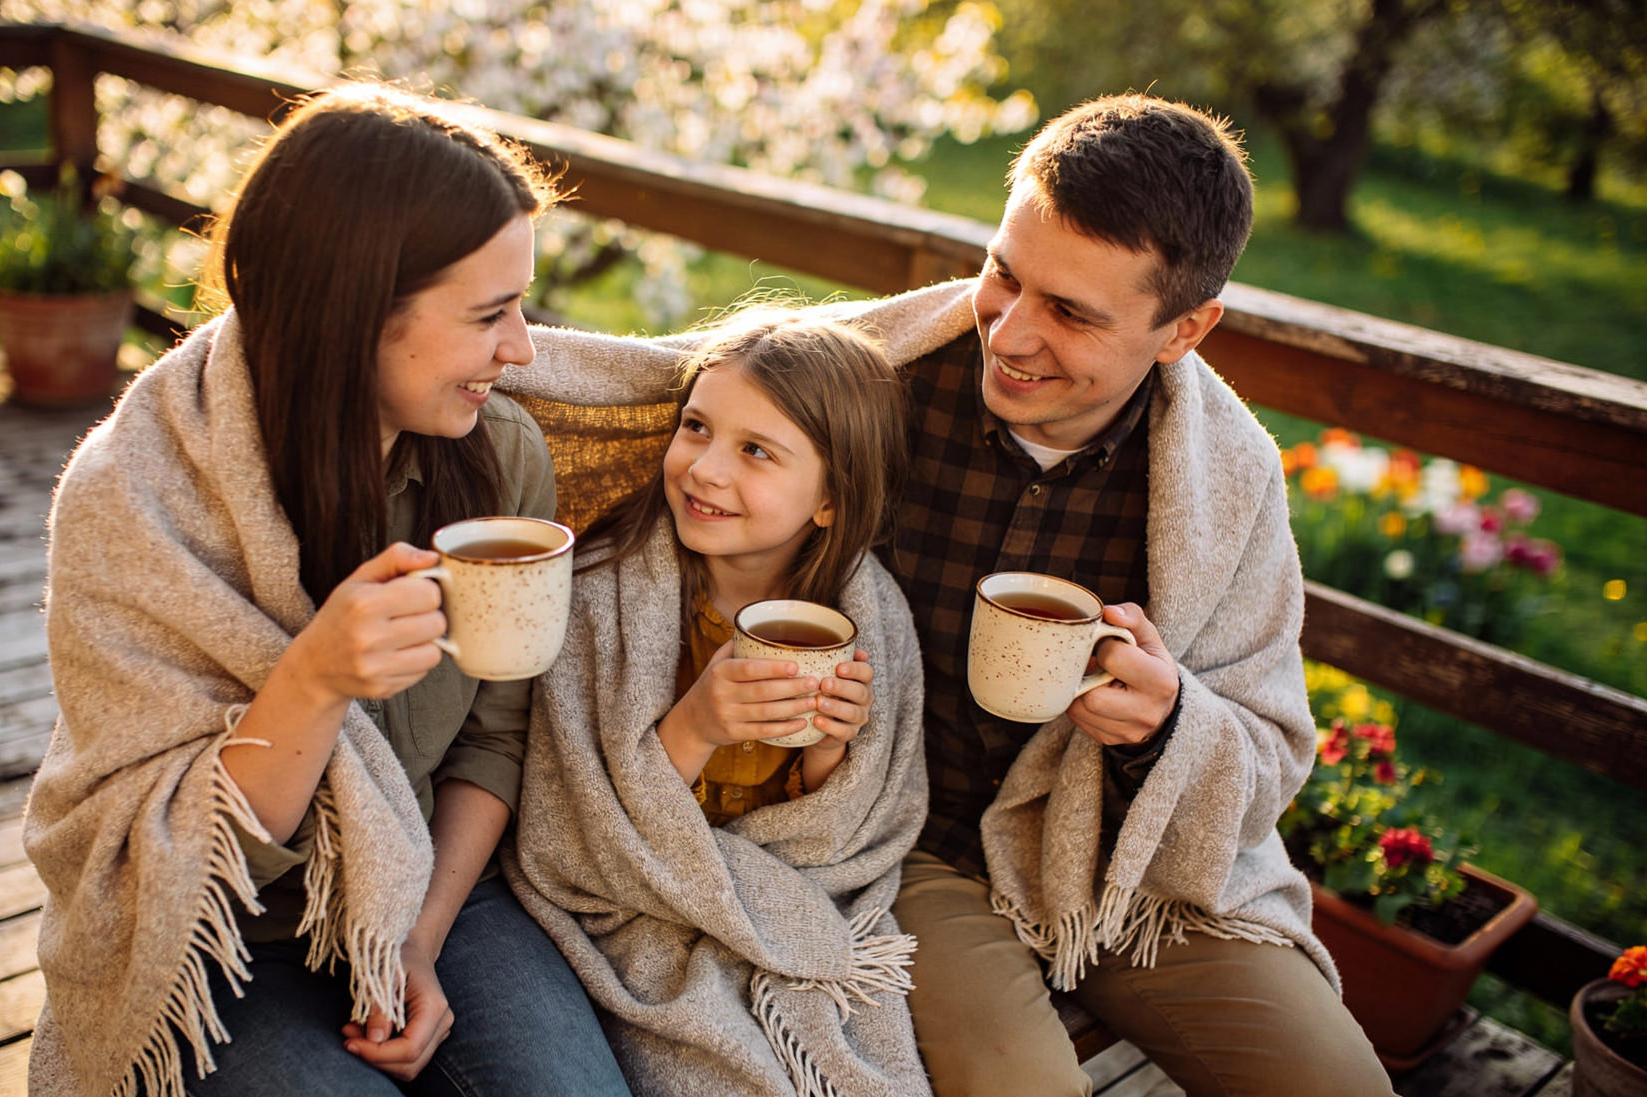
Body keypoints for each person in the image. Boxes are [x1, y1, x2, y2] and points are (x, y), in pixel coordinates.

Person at [510, 93, 1397, 1096]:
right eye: (1004, 274)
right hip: (913, 849)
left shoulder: (1226, 478)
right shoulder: (878, 382)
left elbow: (1269, 748)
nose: (1009, 334)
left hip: (1120, 861)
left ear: (1184, 328)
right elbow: (654, 385)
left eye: (1071, 313)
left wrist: (1168, 723)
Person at [21, 81, 631, 1097]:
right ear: (354, 312)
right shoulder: (136, 501)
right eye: (490, 314)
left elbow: (496, 733)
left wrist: (416, 937)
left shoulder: (498, 460)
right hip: (223, 935)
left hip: (436, 886)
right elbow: (151, 862)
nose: (523, 348)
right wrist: (311, 682)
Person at [504, 308, 933, 1096]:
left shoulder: (870, 615)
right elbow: (575, 821)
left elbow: (853, 824)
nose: (704, 469)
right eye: (696, 427)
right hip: (638, 903)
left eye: (756, 451)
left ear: (831, 500)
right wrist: (696, 724)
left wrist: (830, 749)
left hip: (786, 888)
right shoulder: (604, 596)